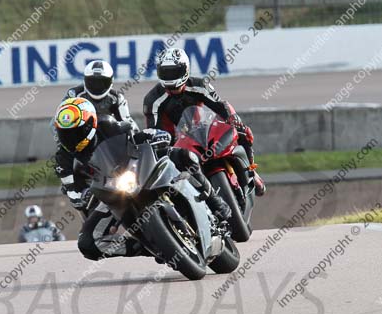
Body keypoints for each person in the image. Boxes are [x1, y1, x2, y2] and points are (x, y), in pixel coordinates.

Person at [52, 97, 231, 261]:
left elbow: (134, 133)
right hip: (107, 193)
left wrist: (152, 135)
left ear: (90, 123)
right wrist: (82, 195)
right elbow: (72, 190)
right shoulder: (63, 159)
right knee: (87, 244)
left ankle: (215, 201)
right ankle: (149, 247)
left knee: (184, 156)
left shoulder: (107, 124)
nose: (70, 138)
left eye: (76, 132)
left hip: (135, 168)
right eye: (65, 133)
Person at [142, 48, 266, 196]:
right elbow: (154, 130)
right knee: (167, 166)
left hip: (204, 128)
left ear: (186, 69)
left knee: (243, 131)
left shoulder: (199, 85)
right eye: (166, 72)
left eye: (174, 72)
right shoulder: (152, 100)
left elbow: (220, 105)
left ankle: (252, 172)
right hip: (177, 140)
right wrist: (165, 147)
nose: (170, 77)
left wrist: (233, 119)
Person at [55, 60, 139, 207]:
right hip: (79, 136)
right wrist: (61, 139)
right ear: (85, 81)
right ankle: (75, 192)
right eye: (93, 82)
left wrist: (134, 135)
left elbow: (128, 121)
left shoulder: (116, 98)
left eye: (101, 82)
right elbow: (62, 117)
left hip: (107, 138)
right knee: (65, 155)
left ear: (110, 82)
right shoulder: (74, 94)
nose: (97, 86)